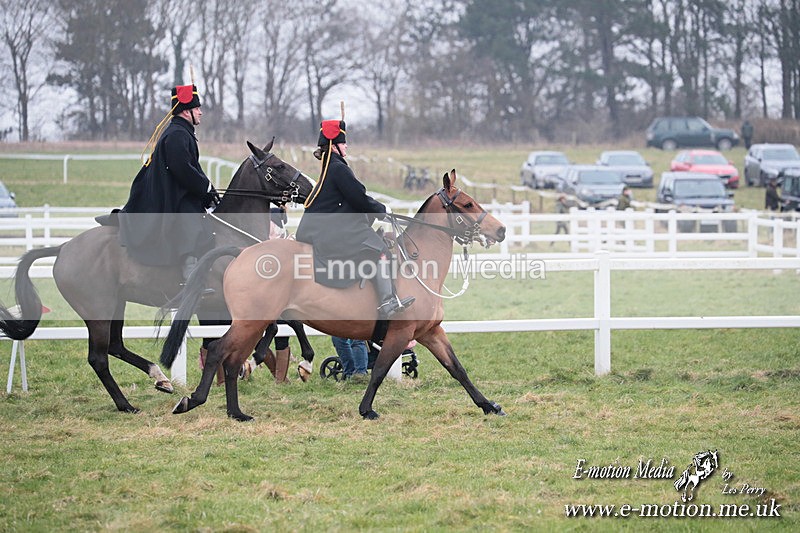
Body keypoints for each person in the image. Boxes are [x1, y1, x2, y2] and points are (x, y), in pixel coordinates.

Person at [296, 117, 414, 319]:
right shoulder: (338, 168)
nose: (346, 145)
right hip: (332, 231)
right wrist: (382, 210)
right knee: (381, 250)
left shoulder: (329, 166)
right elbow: (358, 197)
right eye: (343, 142)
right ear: (333, 145)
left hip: (327, 227)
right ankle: (387, 301)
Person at [118, 83, 220, 283]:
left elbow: (192, 168)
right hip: (168, 194)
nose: (201, 112)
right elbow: (182, 170)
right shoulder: (177, 134)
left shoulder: (183, 132)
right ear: (186, 111)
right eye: (197, 108)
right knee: (191, 217)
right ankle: (189, 268)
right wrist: (205, 188)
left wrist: (210, 189)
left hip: (176, 188)